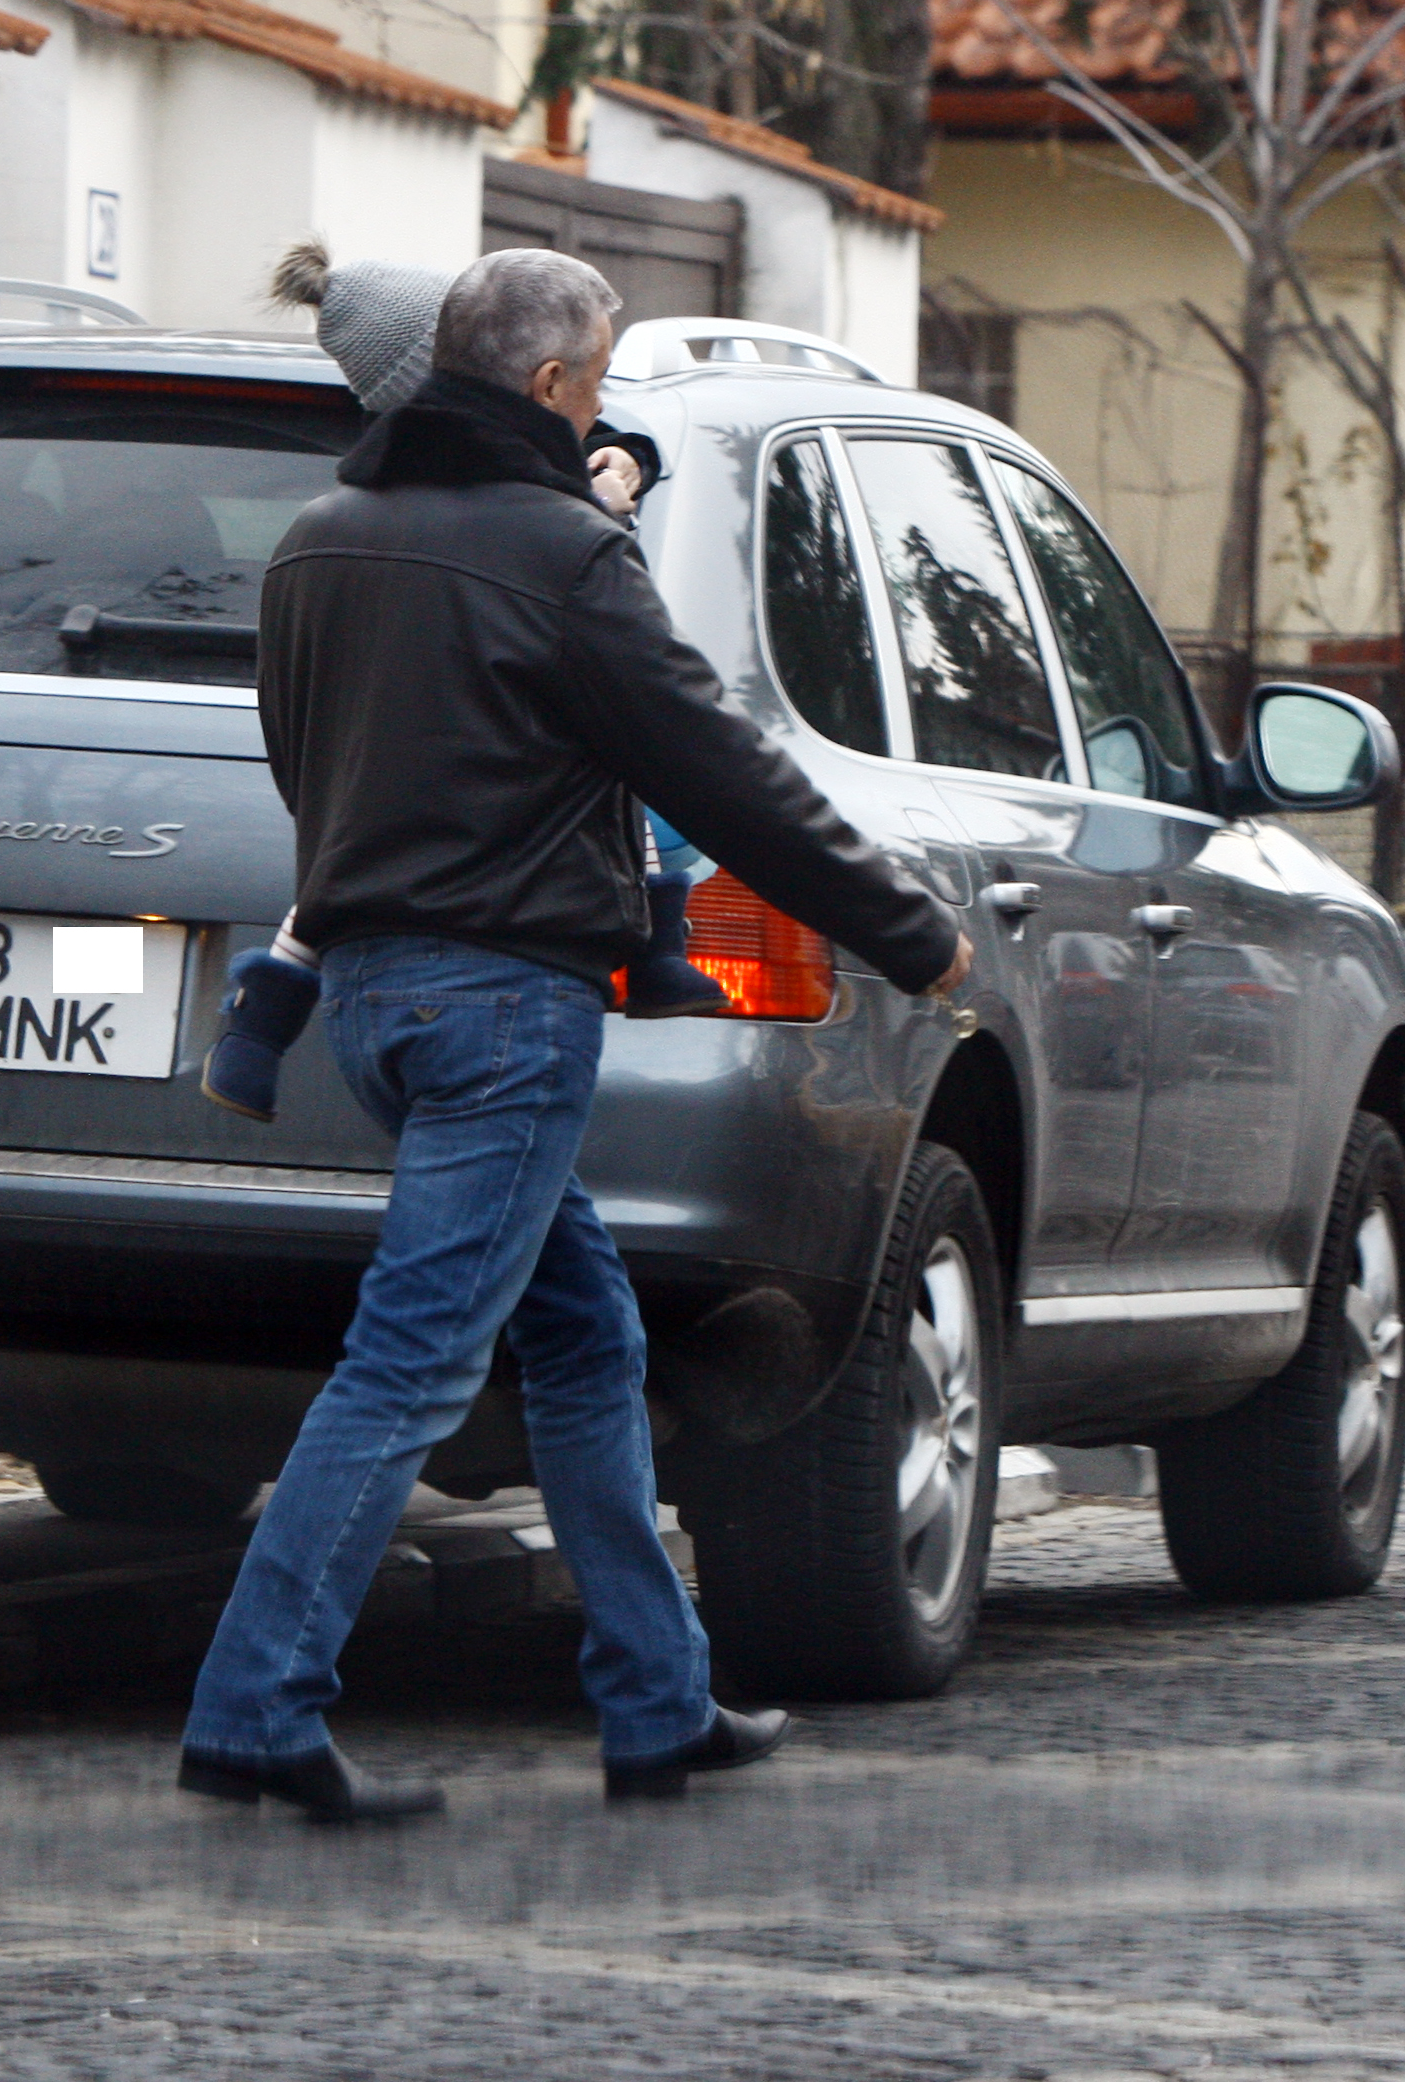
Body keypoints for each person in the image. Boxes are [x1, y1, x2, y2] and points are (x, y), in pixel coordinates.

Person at [177, 248, 972, 1821]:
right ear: (545, 385)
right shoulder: (564, 555)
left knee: (585, 1334)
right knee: (408, 1364)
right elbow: (720, 772)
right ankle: (252, 1708)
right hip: (501, 1013)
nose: (601, 402)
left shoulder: (316, 543)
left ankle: (655, 1702)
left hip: (373, 1000)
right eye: (596, 376)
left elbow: (303, 766)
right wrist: (907, 930)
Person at [199, 244, 719, 1125]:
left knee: (526, 1204)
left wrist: (623, 463)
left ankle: (263, 1016)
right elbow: (687, 736)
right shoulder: (471, 509)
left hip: (393, 895)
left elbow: (612, 436)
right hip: (488, 943)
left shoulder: (375, 502)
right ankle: (658, 944)